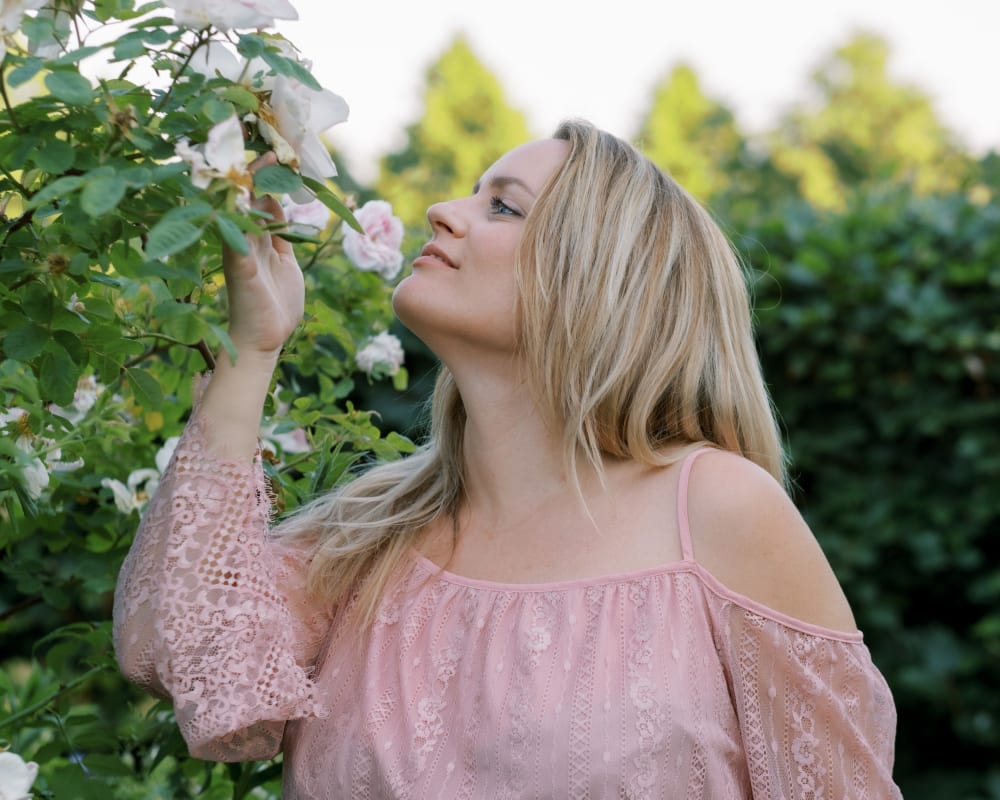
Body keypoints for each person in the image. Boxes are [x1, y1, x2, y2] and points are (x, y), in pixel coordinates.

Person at [113, 119, 903, 798]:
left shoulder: (717, 511)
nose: (441, 212)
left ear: (599, 278)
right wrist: (250, 353)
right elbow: (171, 654)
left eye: (502, 206)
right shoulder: (369, 533)